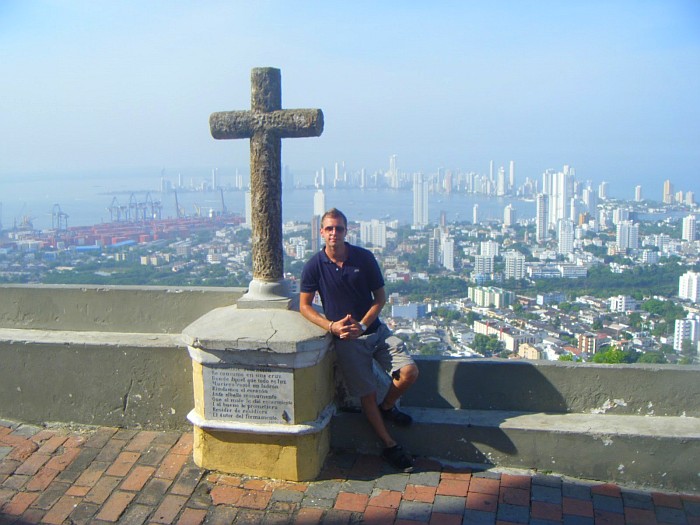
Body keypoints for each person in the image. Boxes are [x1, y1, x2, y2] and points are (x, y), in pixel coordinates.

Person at [299, 208, 419, 472]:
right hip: (346, 341)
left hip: (375, 331)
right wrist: (331, 326)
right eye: (329, 228)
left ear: (346, 231)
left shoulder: (363, 258)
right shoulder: (314, 266)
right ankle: (390, 445)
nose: (334, 233)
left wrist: (364, 323)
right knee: (367, 393)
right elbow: (305, 306)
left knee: (409, 371)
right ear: (321, 232)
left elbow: (380, 298)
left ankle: (388, 406)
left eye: (338, 228)